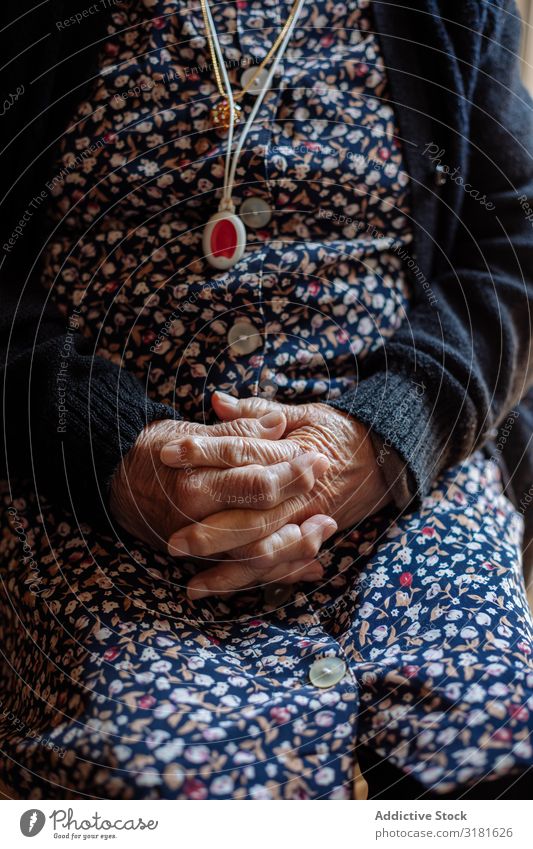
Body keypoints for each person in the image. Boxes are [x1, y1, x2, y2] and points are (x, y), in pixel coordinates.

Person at [0, 0, 532, 800]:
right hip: (97, 492)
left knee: (498, 741)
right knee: (171, 778)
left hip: (407, 475)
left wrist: (382, 435)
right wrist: (112, 453)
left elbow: (513, 238)